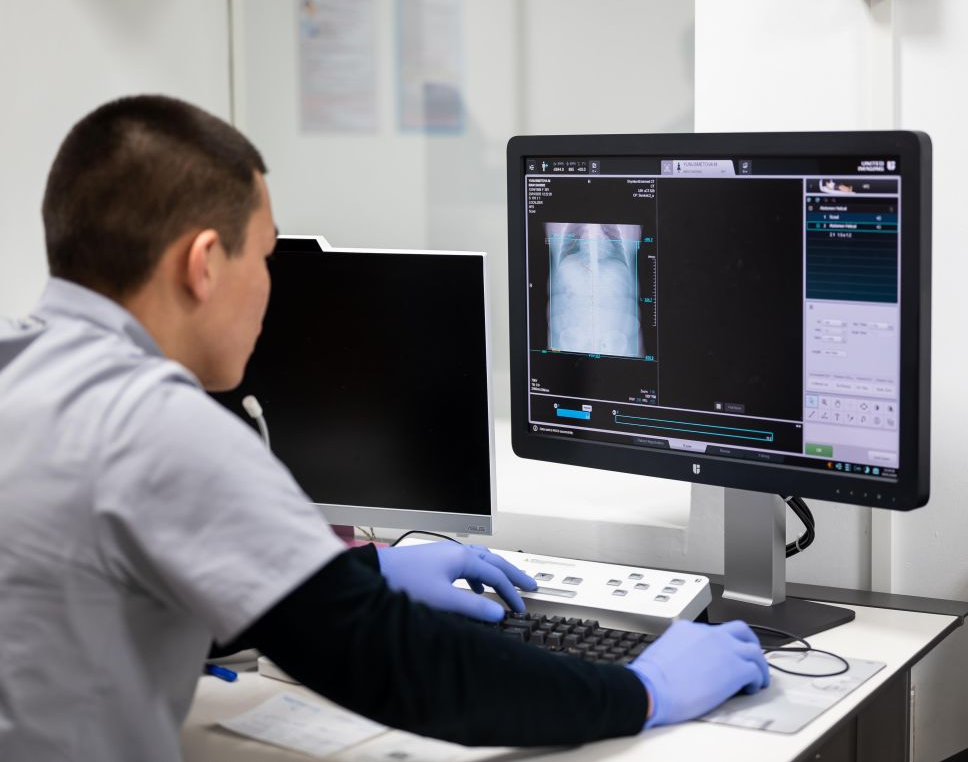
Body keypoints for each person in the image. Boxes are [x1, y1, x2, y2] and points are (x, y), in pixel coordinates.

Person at [0, 95, 770, 762]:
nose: (270, 287)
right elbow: (405, 668)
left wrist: (368, 571)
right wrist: (644, 688)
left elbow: (96, 601)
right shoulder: (157, 425)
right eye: (265, 257)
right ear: (202, 264)